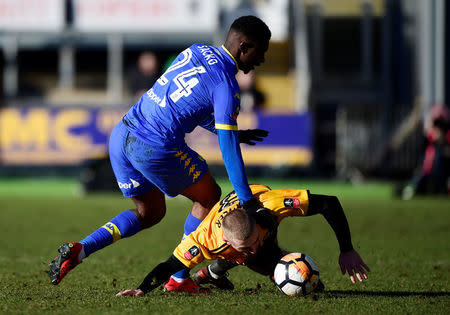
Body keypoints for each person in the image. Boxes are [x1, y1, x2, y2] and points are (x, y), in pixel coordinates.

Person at [48, 15, 272, 291]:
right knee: (209, 196)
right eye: (260, 53)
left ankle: (81, 249)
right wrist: (247, 200)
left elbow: (186, 102)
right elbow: (228, 148)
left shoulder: (196, 50)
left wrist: (229, 131)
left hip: (123, 135)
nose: (261, 61)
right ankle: (178, 278)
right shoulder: (227, 84)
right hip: (154, 146)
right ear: (245, 47)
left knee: (150, 212)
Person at [116, 184, 370, 296]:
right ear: (226, 239)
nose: (252, 249)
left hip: (256, 200)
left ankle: (213, 272)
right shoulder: (204, 238)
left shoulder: (271, 207)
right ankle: (212, 271)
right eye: (244, 247)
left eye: (254, 241)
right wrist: (142, 287)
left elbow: (329, 203)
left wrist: (346, 249)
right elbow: (169, 265)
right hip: (226, 240)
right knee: (264, 263)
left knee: (267, 256)